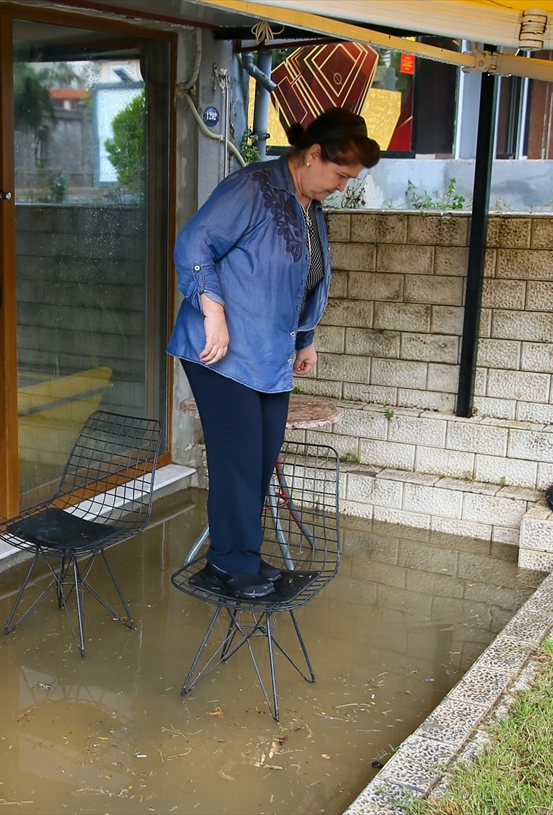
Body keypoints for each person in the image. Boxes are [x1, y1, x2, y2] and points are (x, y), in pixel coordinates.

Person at [168, 107, 381, 599]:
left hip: (270, 354)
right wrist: (213, 311)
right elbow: (195, 241)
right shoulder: (254, 187)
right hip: (221, 351)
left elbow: (304, 277)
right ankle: (225, 566)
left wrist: (306, 336)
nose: (343, 186)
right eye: (340, 174)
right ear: (312, 155)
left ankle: (244, 556)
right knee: (237, 459)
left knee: (260, 457)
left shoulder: (309, 204)